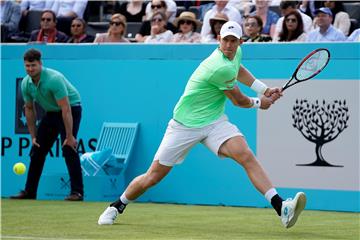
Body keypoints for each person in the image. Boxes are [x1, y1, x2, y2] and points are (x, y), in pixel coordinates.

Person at [98, 21, 307, 229]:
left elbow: (239, 70)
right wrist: (260, 103)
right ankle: (117, 206)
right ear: (219, 40)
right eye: (225, 40)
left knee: (246, 155)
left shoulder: (235, 56)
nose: (229, 45)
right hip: (184, 125)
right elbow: (239, 101)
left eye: (233, 41)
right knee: (152, 177)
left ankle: (282, 208)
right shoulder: (218, 67)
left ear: (240, 42)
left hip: (214, 122)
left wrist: (264, 89)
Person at [10, 49, 84, 201]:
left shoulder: (54, 79)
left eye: (33, 65)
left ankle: (77, 192)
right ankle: (29, 192)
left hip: (71, 108)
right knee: (37, 149)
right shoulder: (25, 83)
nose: (30, 69)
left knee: (68, 148)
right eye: (27, 66)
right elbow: (29, 109)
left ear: (40, 64)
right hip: (51, 113)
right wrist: (33, 136)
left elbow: (65, 108)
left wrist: (69, 136)